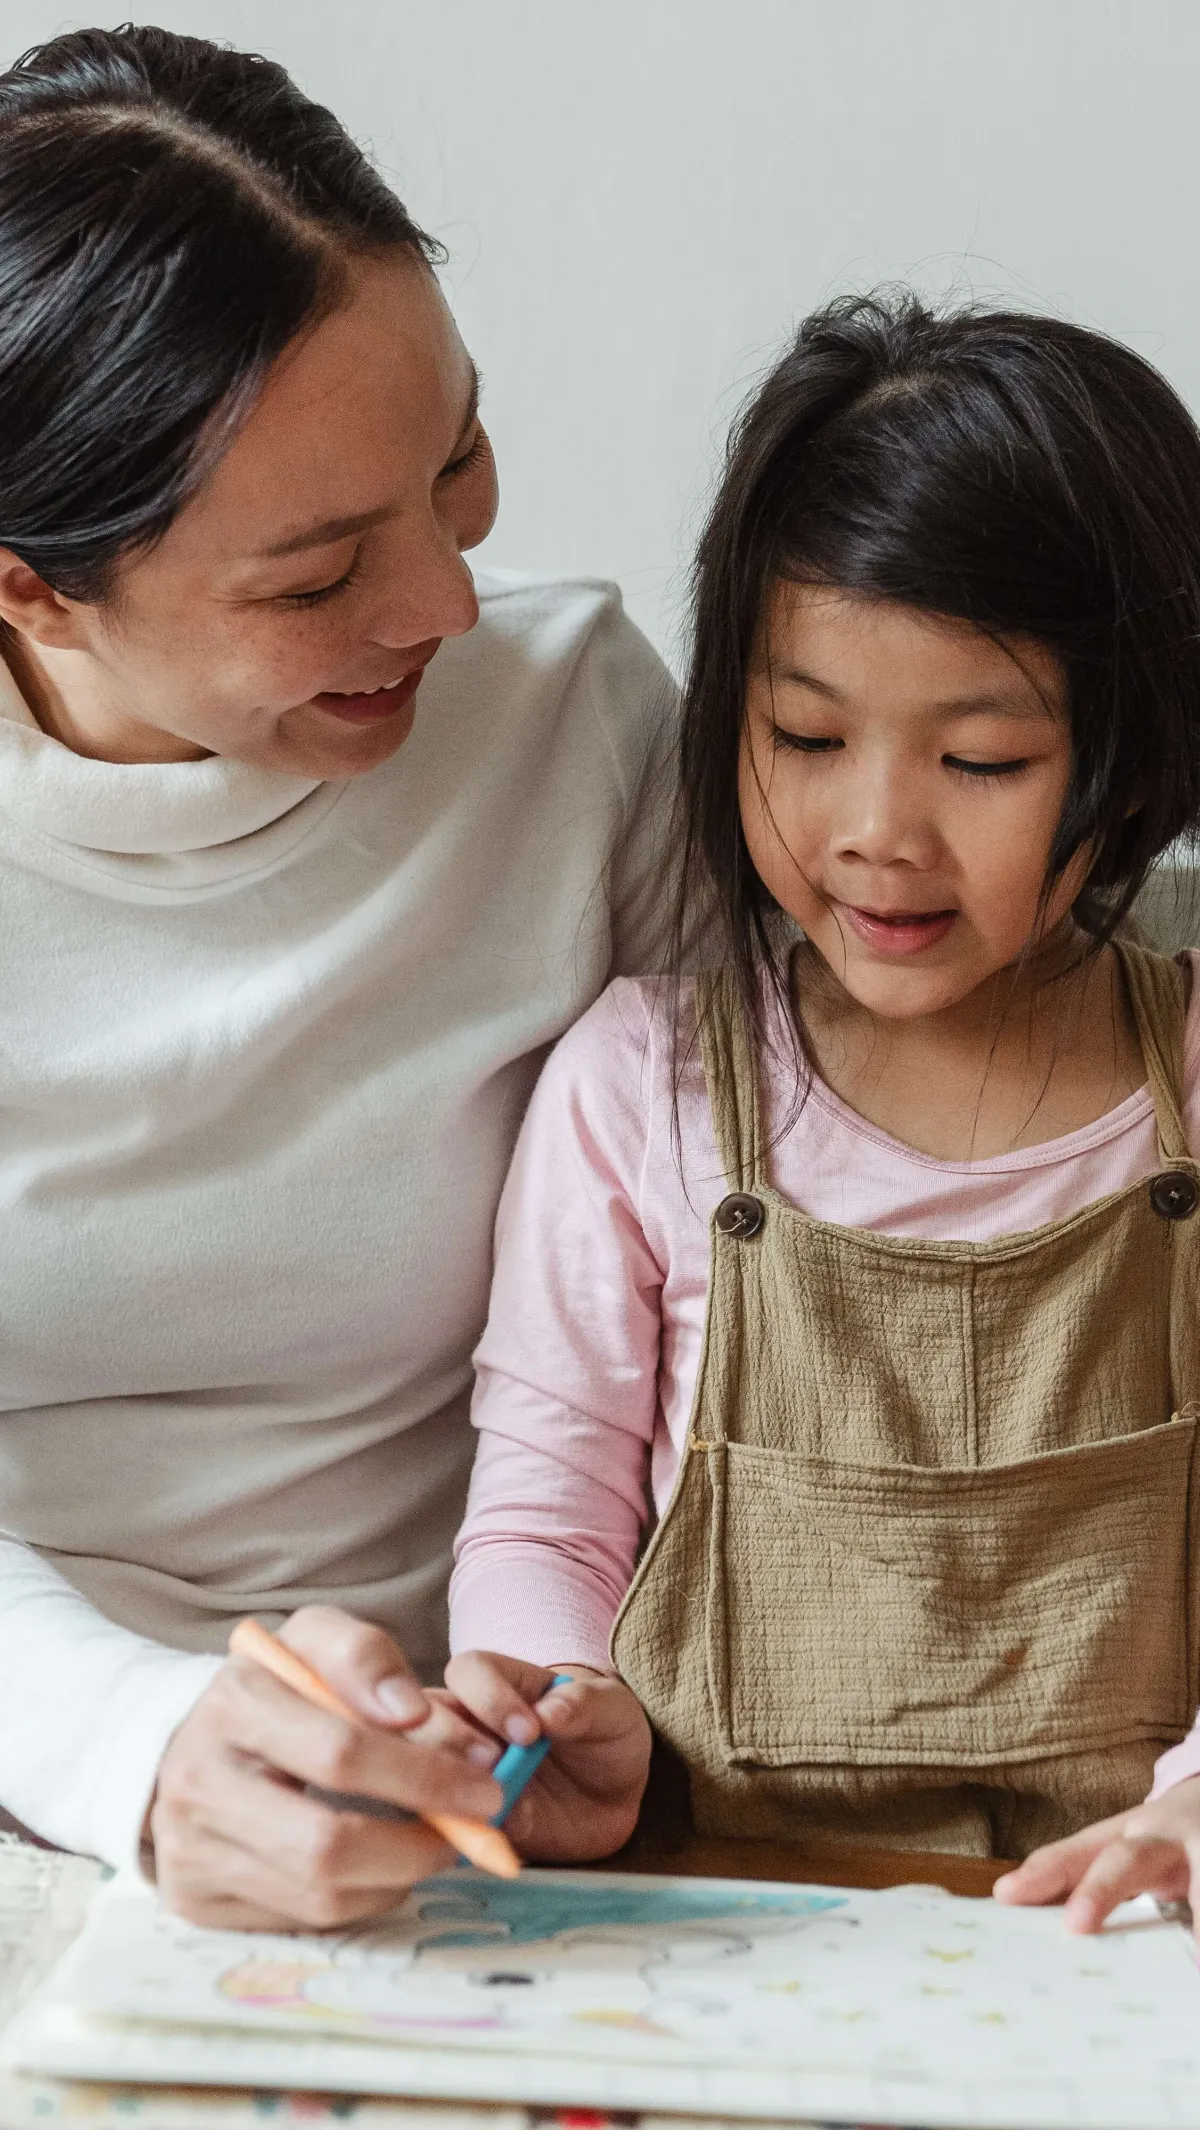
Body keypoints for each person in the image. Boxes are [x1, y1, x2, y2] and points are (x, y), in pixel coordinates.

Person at [0, 23, 677, 1931]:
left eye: (454, 458)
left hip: (511, 1780)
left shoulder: (576, 728)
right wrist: (131, 1748)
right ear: (29, 587)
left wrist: (587, 1669)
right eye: (314, 580)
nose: (450, 605)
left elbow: (755, 1292)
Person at [444, 293, 1200, 1933]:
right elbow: (543, 1506)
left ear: (1131, 766)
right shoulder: (638, 1087)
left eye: (982, 760)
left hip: (1111, 1934)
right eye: (803, 734)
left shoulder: (1185, 1081)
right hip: (714, 1912)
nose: (874, 830)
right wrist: (550, 1694)